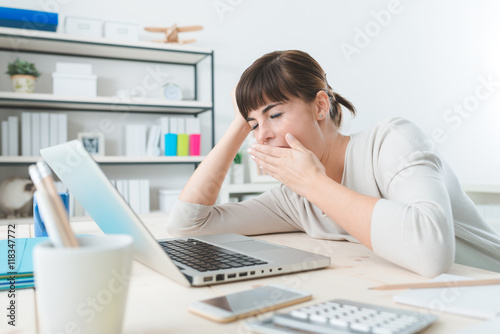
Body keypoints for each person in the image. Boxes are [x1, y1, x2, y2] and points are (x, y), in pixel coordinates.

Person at [167, 50, 500, 277]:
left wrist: (314, 183)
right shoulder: (295, 198)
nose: (262, 136)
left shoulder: (392, 141)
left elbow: (432, 253)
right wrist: (239, 122)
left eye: (276, 114)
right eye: (254, 125)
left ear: (320, 106)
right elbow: (188, 226)